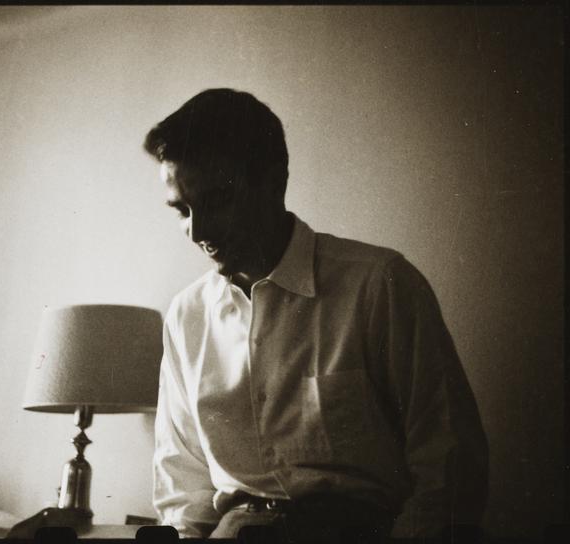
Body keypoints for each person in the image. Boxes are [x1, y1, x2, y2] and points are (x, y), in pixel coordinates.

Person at [143, 88, 488, 540]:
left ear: (274, 181)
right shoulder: (186, 315)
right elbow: (182, 487)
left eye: (217, 201)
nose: (197, 232)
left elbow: (448, 464)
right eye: (182, 210)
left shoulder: (379, 285)